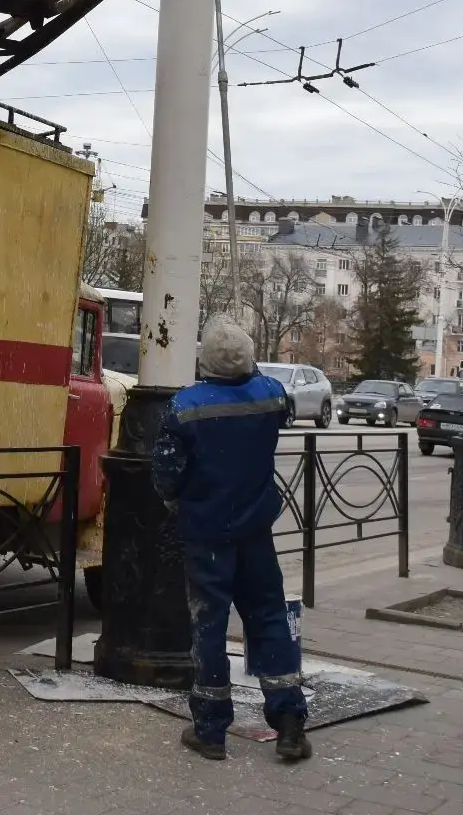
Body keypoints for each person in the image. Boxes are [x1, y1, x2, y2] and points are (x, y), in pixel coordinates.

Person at [152, 317, 309, 763]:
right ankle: (290, 723)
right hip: (256, 531)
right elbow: (273, 397)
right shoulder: (269, 397)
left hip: (207, 533)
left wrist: (176, 504)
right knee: (268, 618)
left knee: (210, 624)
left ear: (204, 362)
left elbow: (165, 473)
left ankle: (211, 729)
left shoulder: (186, 407)